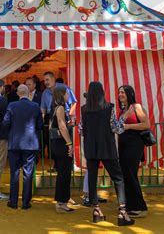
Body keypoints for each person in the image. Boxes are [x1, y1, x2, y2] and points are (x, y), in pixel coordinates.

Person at [80, 82, 135, 226]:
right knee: (118, 178)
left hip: (91, 149)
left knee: (92, 179)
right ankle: (123, 212)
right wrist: (125, 116)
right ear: (102, 92)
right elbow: (116, 128)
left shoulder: (84, 109)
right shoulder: (108, 107)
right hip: (107, 148)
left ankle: (96, 211)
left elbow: (81, 130)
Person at [3, 85, 43, 210]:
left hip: (15, 143)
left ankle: (13, 201)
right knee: (28, 173)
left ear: (18, 93)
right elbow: (40, 125)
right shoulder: (35, 106)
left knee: (14, 172)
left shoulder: (12, 106)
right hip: (30, 144)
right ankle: (26, 202)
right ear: (28, 93)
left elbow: (5, 122)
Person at [118, 85, 150, 218]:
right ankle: (130, 206)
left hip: (134, 145)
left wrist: (128, 126)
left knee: (131, 175)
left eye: (123, 92)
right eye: (119, 92)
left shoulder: (136, 107)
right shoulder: (122, 110)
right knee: (126, 176)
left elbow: (146, 124)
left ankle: (140, 207)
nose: (120, 94)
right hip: (123, 146)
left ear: (130, 93)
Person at [50, 86, 75, 213]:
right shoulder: (59, 108)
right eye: (66, 94)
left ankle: (62, 201)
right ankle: (61, 202)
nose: (68, 96)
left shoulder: (55, 108)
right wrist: (69, 143)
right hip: (61, 144)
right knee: (64, 174)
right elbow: (61, 126)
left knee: (63, 173)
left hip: (57, 144)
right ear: (62, 94)